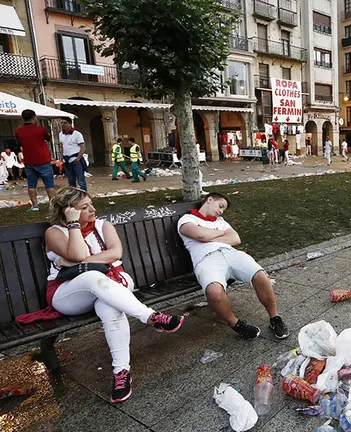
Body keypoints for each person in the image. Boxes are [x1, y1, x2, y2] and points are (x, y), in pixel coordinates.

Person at [19, 187, 185, 403]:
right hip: (68, 294)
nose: (92, 209)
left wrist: (76, 261)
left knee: (111, 308)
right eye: (84, 207)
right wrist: (73, 225)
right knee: (91, 279)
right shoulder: (55, 232)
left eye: (91, 203)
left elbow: (115, 254)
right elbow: (79, 252)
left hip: (112, 285)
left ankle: (121, 373)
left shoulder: (103, 225)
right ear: (68, 211)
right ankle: (150, 317)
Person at [177, 192, 289, 340]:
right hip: (206, 259)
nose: (221, 211)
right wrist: (221, 234)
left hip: (231, 254)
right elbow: (200, 236)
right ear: (209, 199)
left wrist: (210, 235)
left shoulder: (220, 221)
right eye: (220, 206)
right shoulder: (187, 219)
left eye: (224, 209)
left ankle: (275, 318)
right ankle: (236, 324)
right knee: (214, 292)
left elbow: (236, 239)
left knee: (261, 275)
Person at [14, 109, 56, 212]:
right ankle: (52, 205)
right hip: (43, 160)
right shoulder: (41, 129)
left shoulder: (18, 130)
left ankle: (35, 205)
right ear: (33, 117)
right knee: (49, 184)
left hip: (29, 161)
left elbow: (19, 143)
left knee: (31, 184)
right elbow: (49, 138)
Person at [60, 118, 87, 191]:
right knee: (71, 181)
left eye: (65, 123)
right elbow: (62, 146)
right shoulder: (61, 134)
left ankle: (84, 196)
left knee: (81, 180)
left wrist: (78, 158)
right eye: (61, 123)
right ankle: (73, 196)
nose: (63, 125)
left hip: (75, 158)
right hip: (66, 160)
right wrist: (61, 158)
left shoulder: (77, 134)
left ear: (70, 123)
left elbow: (83, 148)